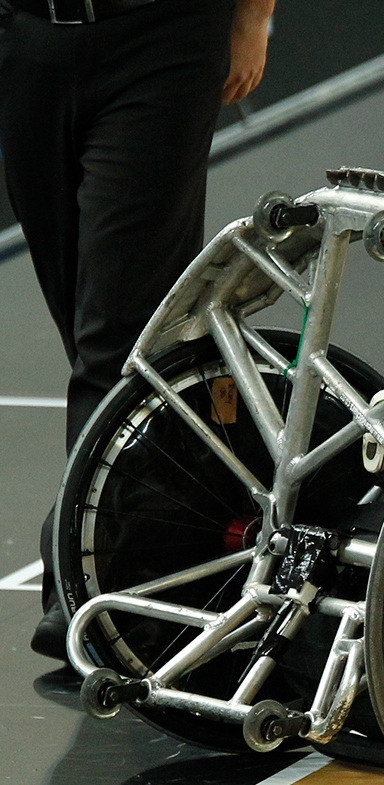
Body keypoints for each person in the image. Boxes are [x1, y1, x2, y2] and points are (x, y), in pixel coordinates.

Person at [0, 0, 276, 660]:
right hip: (29, 40)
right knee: (89, 322)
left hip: (160, 36)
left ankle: (86, 584)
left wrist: (252, 18)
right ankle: (195, 537)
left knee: (115, 332)